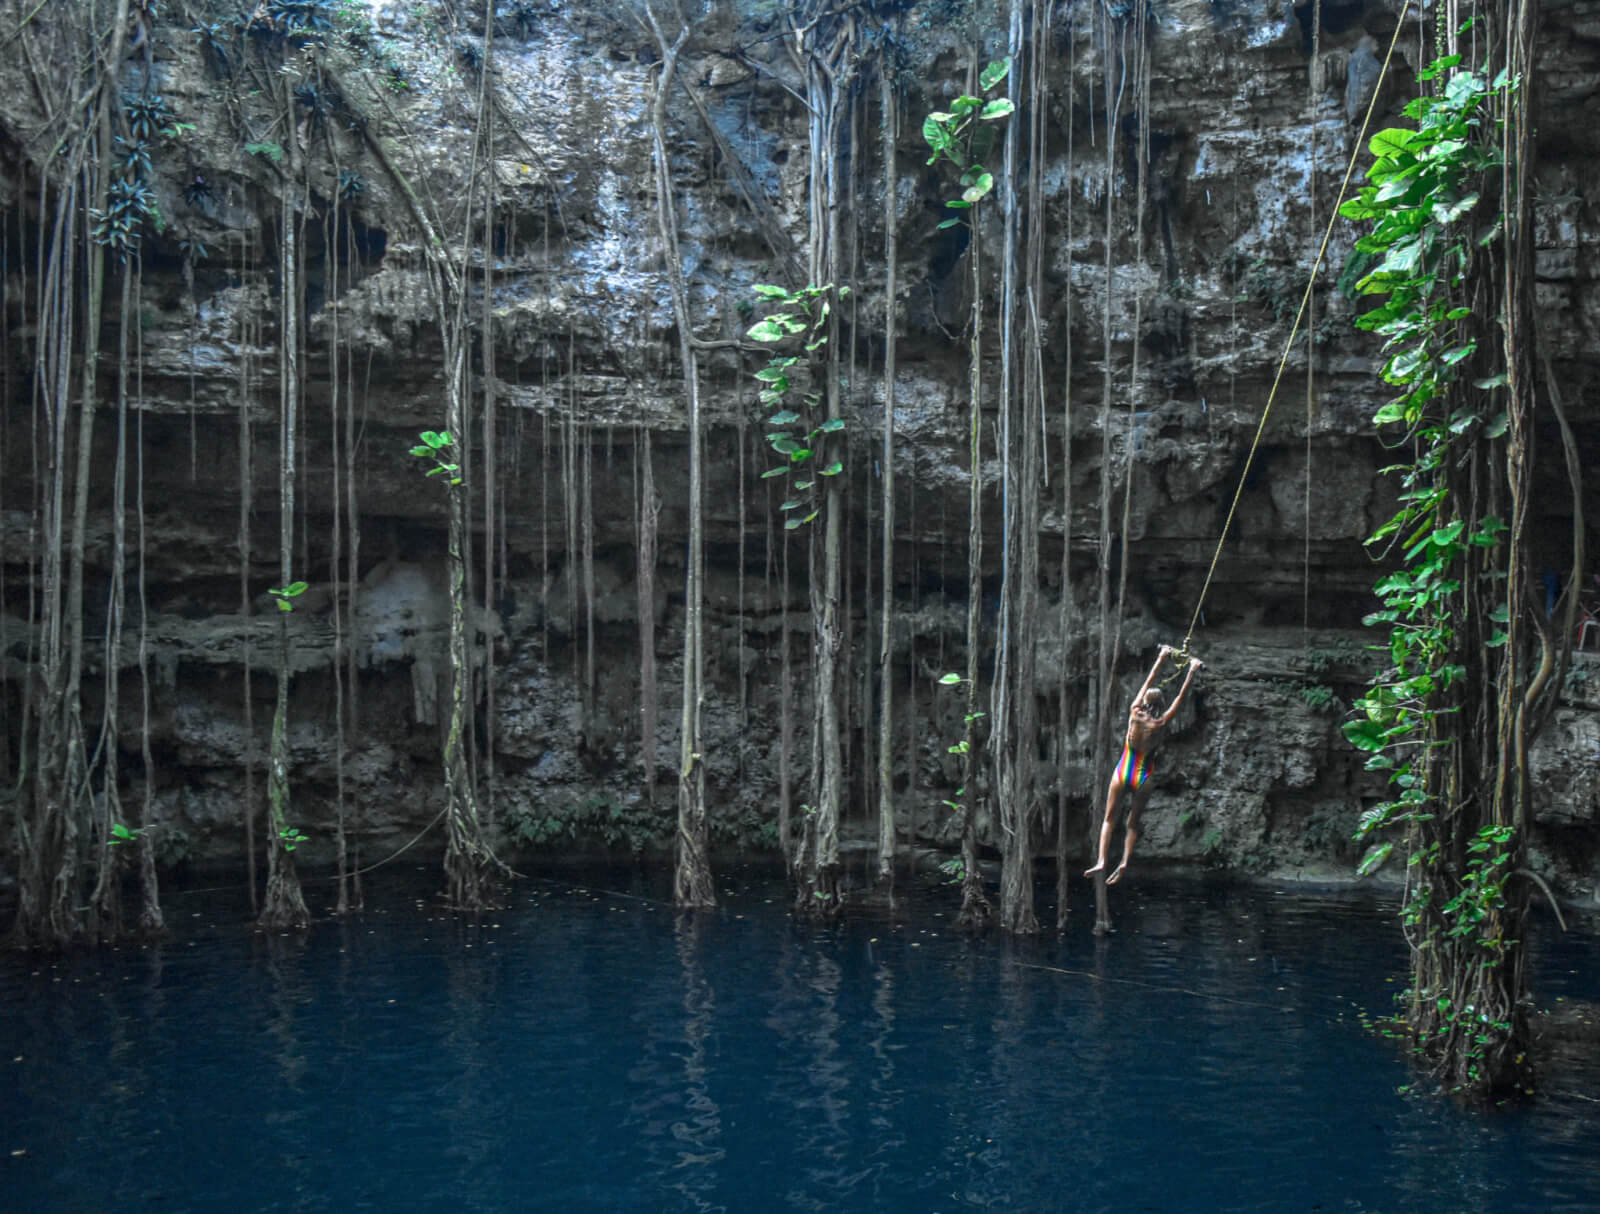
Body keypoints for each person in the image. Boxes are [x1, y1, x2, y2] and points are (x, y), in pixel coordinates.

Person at [1085, 644, 1202, 885]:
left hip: (1123, 771)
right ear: (1160, 705)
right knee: (1132, 824)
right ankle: (1125, 861)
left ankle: (1101, 860)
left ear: (1145, 701)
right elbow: (1180, 698)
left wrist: (1161, 657)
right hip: (1143, 776)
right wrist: (1192, 670)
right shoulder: (1160, 723)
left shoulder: (1134, 713)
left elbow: (1148, 680)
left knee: (1109, 819)